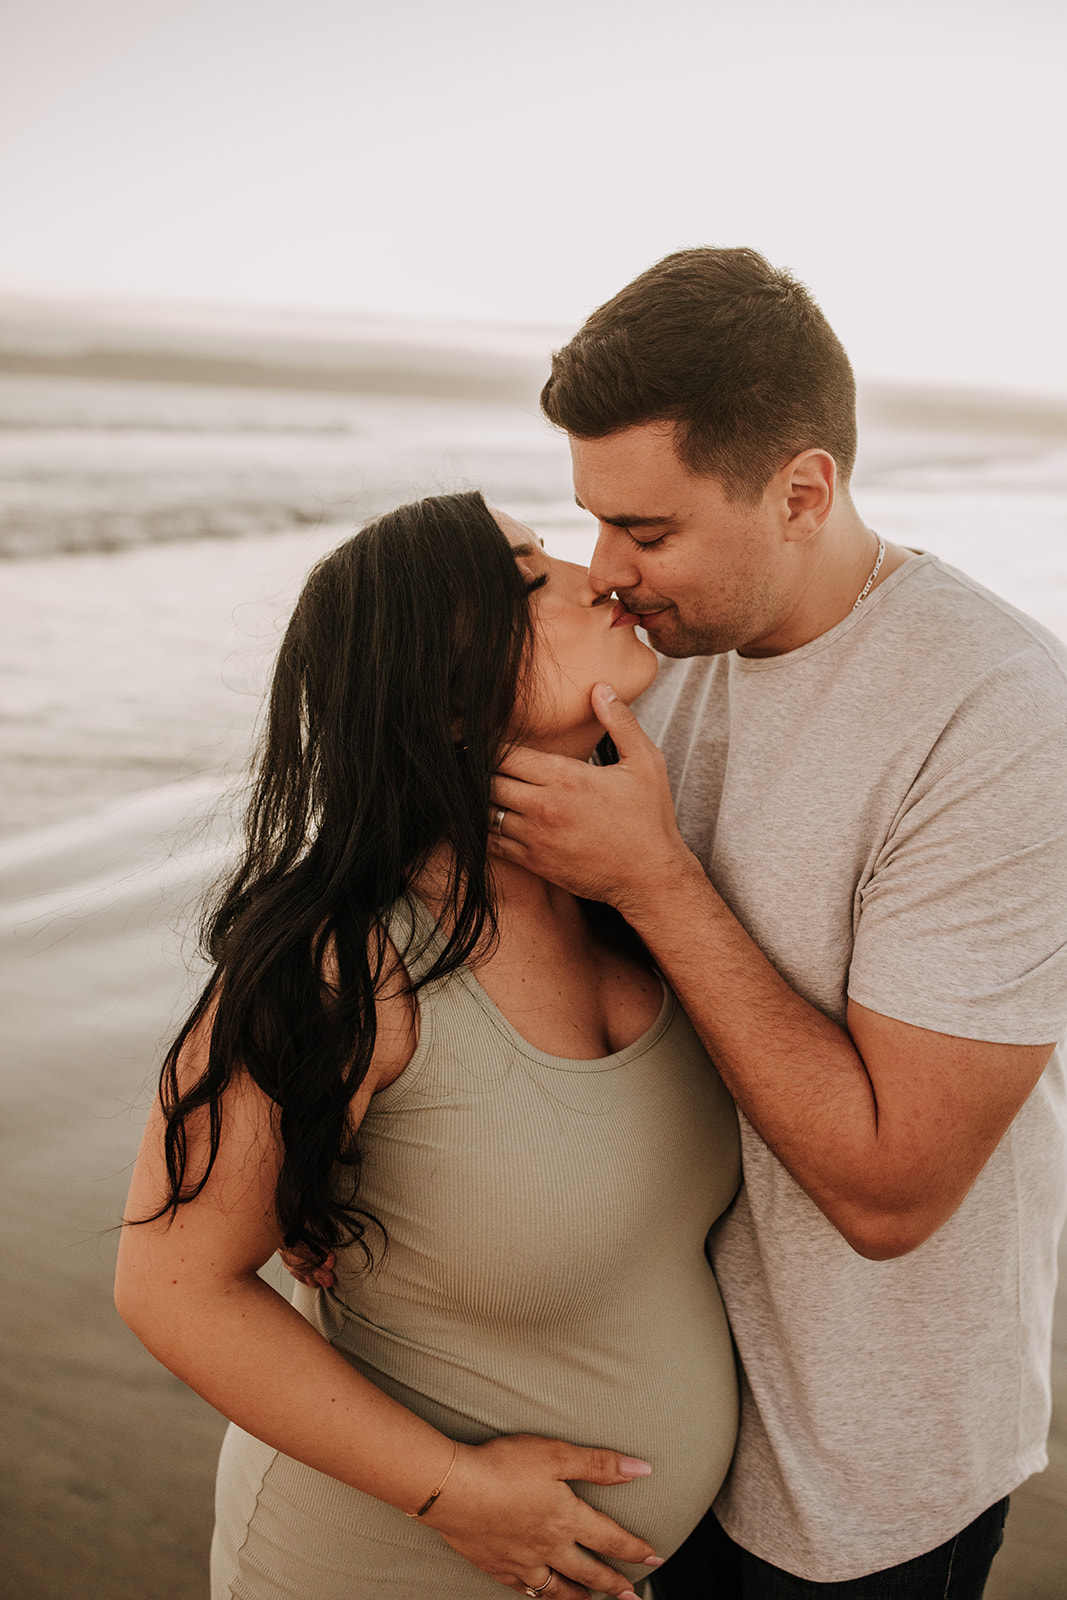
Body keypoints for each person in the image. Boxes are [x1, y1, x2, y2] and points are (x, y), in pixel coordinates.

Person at [488, 248, 1067, 1597]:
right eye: (590, 521)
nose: (604, 572)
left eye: (648, 531)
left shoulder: (995, 719)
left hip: (857, 1477)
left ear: (802, 491)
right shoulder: (645, 665)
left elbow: (890, 1188)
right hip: (635, 1432)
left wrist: (655, 880)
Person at [114, 490, 742, 1600]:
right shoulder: (344, 966)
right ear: (443, 705)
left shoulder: (627, 894)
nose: (592, 572)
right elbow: (169, 1282)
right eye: (525, 578)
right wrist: (452, 1488)